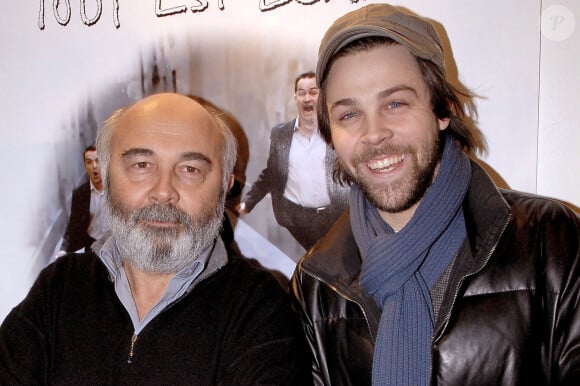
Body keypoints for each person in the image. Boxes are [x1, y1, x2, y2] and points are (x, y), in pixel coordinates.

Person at [290, 4, 580, 386]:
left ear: (442, 109)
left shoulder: (551, 239)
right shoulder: (316, 282)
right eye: (349, 115)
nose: (374, 133)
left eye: (395, 103)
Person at [0, 93, 312, 384]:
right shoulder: (60, 287)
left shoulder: (260, 311)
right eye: (141, 165)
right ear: (107, 177)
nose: (163, 191)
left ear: (225, 186)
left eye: (189, 168)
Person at [237, 72, 349, 251]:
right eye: (302, 93)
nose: (307, 98)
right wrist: (248, 203)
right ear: (295, 97)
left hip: (332, 216)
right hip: (296, 220)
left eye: (313, 92)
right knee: (312, 263)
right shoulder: (281, 135)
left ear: (322, 97)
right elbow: (271, 173)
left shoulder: (338, 132)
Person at [57, 145, 109, 257]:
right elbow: (72, 226)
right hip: (92, 249)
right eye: (89, 162)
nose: (94, 166)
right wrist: (63, 250)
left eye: (97, 161)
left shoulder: (118, 190)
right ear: (85, 166)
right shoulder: (80, 194)